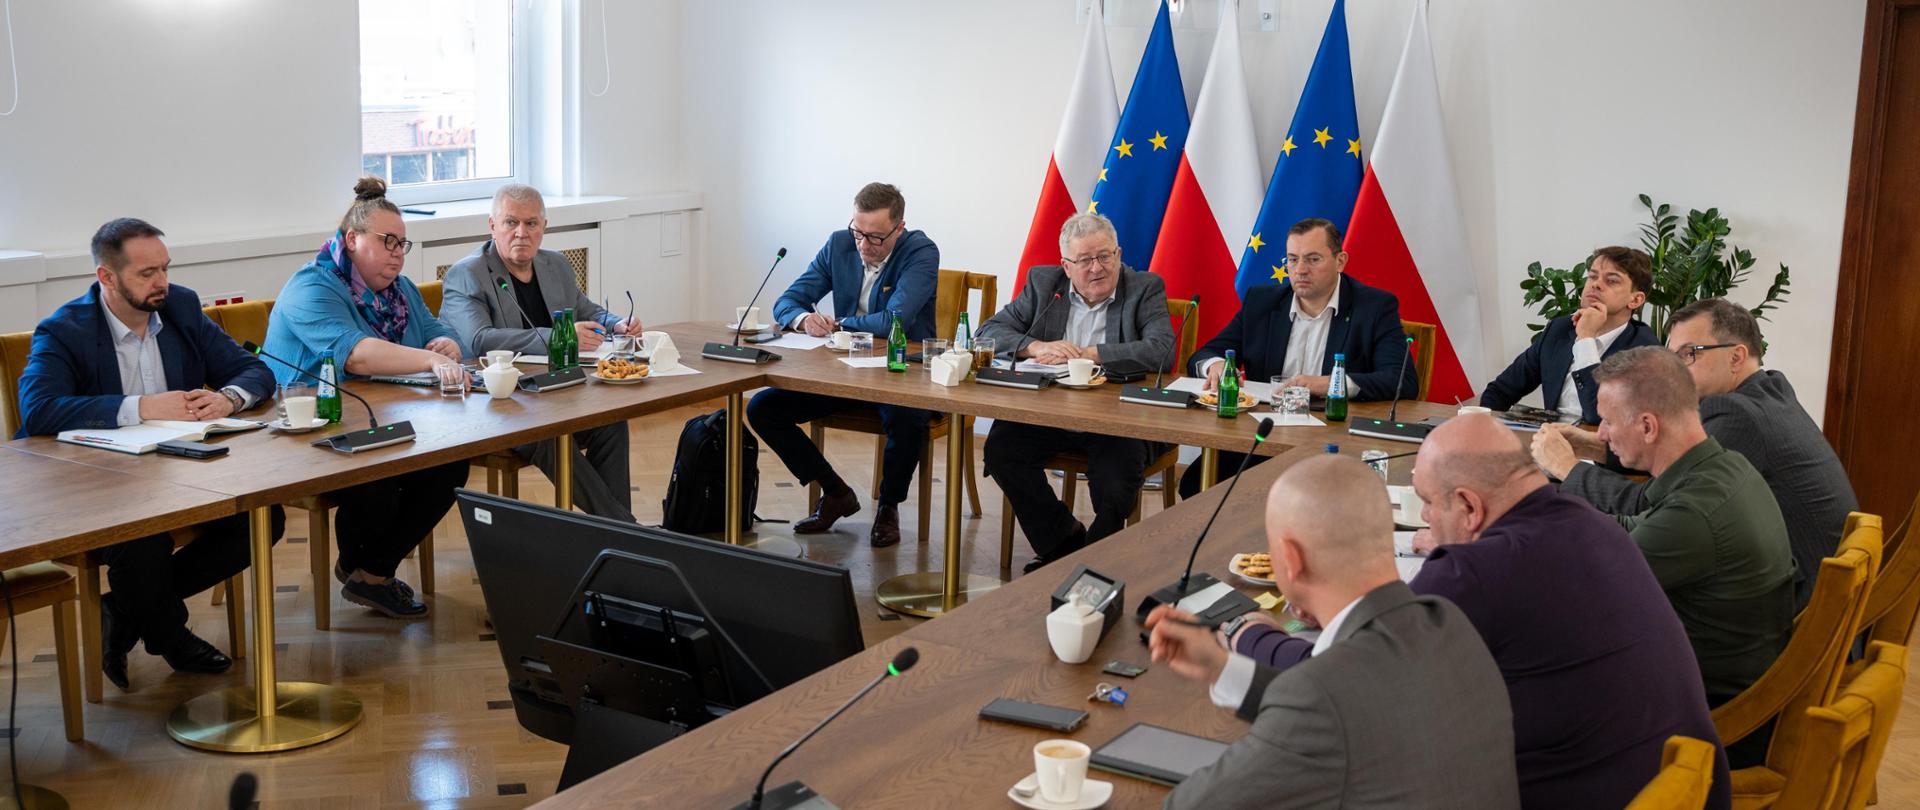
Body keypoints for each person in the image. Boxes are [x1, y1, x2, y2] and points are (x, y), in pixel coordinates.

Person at [1219, 415, 1729, 809]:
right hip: (1670, 786)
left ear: (1469, 506)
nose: (1425, 519)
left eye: (1427, 503)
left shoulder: (1476, 572)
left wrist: (1250, 636)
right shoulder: (1592, 524)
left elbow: (1338, 691)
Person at [1145, 456, 1518, 810]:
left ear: (1291, 559)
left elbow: (1191, 804)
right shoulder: (1448, 621)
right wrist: (1222, 667)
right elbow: (1353, 712)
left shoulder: (1321, 696)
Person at [14, 217, 285, 690]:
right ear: (107, 276)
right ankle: (171, 636)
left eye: (165, 268)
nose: (162, 282)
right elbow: (38, 410)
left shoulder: (180, 307)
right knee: (141, 542)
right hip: (93, 484)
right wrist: (139, 407)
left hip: (178, 473)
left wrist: (228, 398)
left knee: (262, 519)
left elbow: (254, 371)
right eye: (146, 273)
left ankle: (123, 610)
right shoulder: (64, 330)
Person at [1533, 298, 1857, 610]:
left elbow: (1655, 505)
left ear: (1736, 357)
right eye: (1672, 356)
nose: (1674, 370)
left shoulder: (1738, 415)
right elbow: (1676, 469)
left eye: (1689, 354)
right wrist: (1595, 446)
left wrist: (1568, 469)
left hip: (1797, 606)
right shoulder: (1768, 391)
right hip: (1802, 587)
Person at [262, 177, 472, 619]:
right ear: (352, 239)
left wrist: (447, 345)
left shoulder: (399, 290)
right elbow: (355, 355)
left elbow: (436, 330)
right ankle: (362, 565)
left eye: (402, 244)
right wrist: (429, 360)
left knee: (450, 463)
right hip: (302, 434)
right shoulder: (311, 288)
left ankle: (370, 572)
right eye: (387, 241)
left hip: (372, 421)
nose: (398, 253)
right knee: (382, 471)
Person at [1587, 348, 1795, 725]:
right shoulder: (1728, 467)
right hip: (1733, 682)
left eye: (1607, 421)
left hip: (1708, 717)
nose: (1601, 434)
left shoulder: (1694, 514)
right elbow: (1636, 529)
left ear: (1648, 427)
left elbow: (1591, 584)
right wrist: (1553, 511)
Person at [978, 213, 1174, 572]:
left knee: (1116, 482)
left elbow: (1161, 350)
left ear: (1118, 254)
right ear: (1066, 266)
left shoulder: (1144, 287)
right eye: (1084, 260)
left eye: (1105, 256)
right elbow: (989, 332)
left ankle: (1094, 562)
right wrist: (1036, 346)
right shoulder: (1043, 283)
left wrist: (1091, 354)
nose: (1097, 268)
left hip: (1116, 418)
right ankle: (1062, 542)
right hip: (1050, 412)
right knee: (1001, 451)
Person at [745, 183, 938, 548]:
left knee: (905, 416)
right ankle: (835, 492)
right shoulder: (839, 244)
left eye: (876, 237)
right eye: (858, 232)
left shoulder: (920, 252)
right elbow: (787, 301)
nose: (863, 245)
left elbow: (894, 321)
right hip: (846, 373)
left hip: (902, 373)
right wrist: (804, 319)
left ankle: (889, 507)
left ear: (899, 228)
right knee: (763, 408)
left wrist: (840, 324)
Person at [440, 184, 641, 521]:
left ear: (544, 227)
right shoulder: (467, 274)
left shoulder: (555, 264)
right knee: (547, 434)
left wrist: (618, 323)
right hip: (494, 406)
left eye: (531, 223)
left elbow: (586, 309)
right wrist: (561, 335)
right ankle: (627, 530)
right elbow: (479, 340)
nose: (521, 233)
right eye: (511, 222)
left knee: (611, 423)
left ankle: (615, 534)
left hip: (553, 394)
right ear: (492, 225)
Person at [1178, 218, 1415, 497]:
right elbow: (1204, 355)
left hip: (1333, 442)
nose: (1300, 270)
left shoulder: (1374, 307)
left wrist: (1328, 384)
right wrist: (1216, 365)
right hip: (1264, 436)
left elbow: (1402, 380)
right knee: (1196, 486)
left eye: (1313, 259)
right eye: (1293, 259)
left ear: (1340, 261)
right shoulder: (1262, 302)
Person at [1479, 246, 1660, 423]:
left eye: (1611, 280)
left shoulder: (1646, 352)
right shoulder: (1559, 329)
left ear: (1635, 300)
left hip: (1599, 442)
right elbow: (1500, 391)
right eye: (1592, 276)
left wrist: (1586, 339)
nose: (1596, 284)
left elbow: (1599, 415)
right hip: (1549, 438)